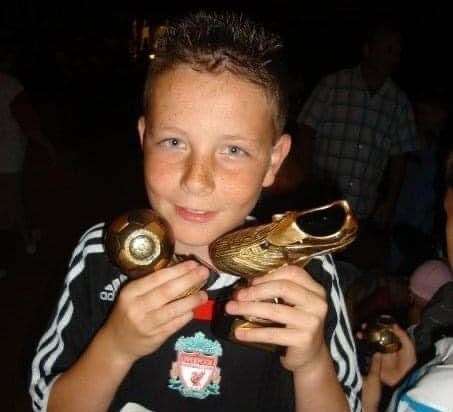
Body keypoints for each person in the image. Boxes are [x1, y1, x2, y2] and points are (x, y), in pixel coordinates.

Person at [28, 11, 362, 412]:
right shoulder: (100, 254)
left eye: (233, 150)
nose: (197, 180)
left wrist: (310, 365)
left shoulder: (307, 271)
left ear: (274, 162)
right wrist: (116, 347)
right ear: (143, 137)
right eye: (173, 142)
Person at [297, 18, 418, 270]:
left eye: (397, 51)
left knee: (349, 272)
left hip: (362, 210)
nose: (394, 57)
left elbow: (399, 158)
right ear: (368, 50)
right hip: (320, 201)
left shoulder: (399, 102)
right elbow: (306, 128)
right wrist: (307, 178)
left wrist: (389, 202)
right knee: (310, 266)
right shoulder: (334, 85)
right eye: (388, 50)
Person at [0, 41, 56, 268]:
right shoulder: (11, 85)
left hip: (7, 150)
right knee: (11, 199)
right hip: (8, 151)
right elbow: (26, 120)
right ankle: (25, 239)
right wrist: (46, 146)